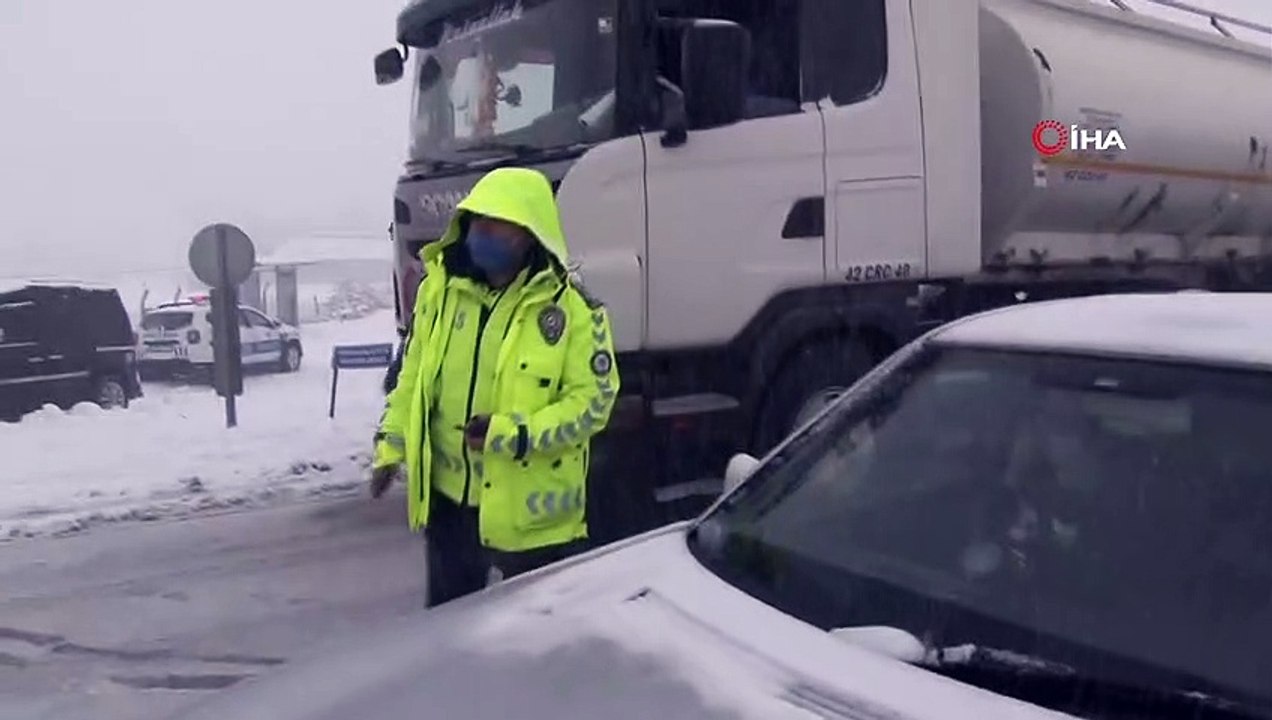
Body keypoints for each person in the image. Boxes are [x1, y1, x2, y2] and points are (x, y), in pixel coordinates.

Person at [369, 166, 619, 608]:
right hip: (450, 512)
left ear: (528, 233)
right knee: (449, 641)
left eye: (495, 224)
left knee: (531, 649)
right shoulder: (439, 295)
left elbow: (592, 403)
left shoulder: (574, 312)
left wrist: (514, 434)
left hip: (530, 522)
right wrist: (392, 446)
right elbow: (413, 379)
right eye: (475, 221)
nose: (480, 233)